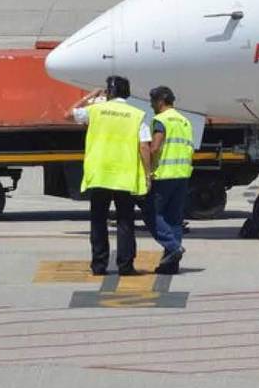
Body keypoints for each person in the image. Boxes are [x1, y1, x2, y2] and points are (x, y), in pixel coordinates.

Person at [72, 76, 151, 276]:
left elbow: (69, 113)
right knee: (125, 222)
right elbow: (143, 146)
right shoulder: (137, 115)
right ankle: (125, 266)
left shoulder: (95, 111)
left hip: (99, 175)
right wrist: (148, 174)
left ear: (108, 92)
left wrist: (91, 96)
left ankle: (99, 265)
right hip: (124, 177)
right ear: (127, 93)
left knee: (98, 221)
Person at [143, 86, 194, 275]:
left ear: (160, 102)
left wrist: (145, 165)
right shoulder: (185, 121)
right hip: (182, 174)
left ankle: (173, 248)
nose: (151, 106)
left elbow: (155, 147)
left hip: (164, 174)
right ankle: (170, 266)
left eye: (152, 102)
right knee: (174, 220)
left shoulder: (160, 120)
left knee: (151, 215)